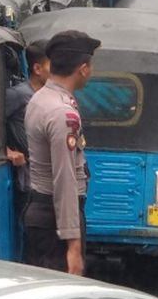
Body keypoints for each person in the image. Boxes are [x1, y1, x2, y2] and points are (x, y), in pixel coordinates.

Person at [23, 31, 101, 274]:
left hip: (41, 211)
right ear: (83, 69)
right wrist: (73, 245)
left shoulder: (40, 99)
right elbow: (64, 179)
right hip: (54, 220)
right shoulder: (60, 112)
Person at [5, 41, 50, 212]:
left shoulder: (52, 96)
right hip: (29, 182)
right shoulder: (18, 95)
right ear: (38, 69)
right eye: (52, 66)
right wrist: (7, 151)